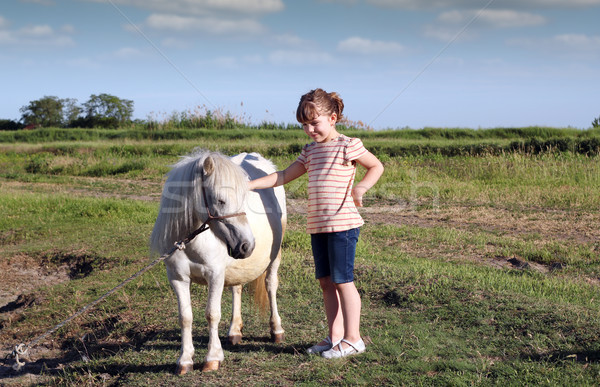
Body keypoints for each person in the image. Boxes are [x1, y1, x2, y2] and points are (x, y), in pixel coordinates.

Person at [249, 88, 384, 358]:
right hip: (318, 226)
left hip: (343, 225)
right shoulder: (310, 151)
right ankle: (335, 337)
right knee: (325, 282)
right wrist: (248, 185)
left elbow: (376, 166)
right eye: (304, 125)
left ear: (332, 118)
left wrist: (361, 189)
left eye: (314, 122)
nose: (310, 130)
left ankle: (353, 339)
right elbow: (284, 175)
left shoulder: (348, 145)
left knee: (343, 281)